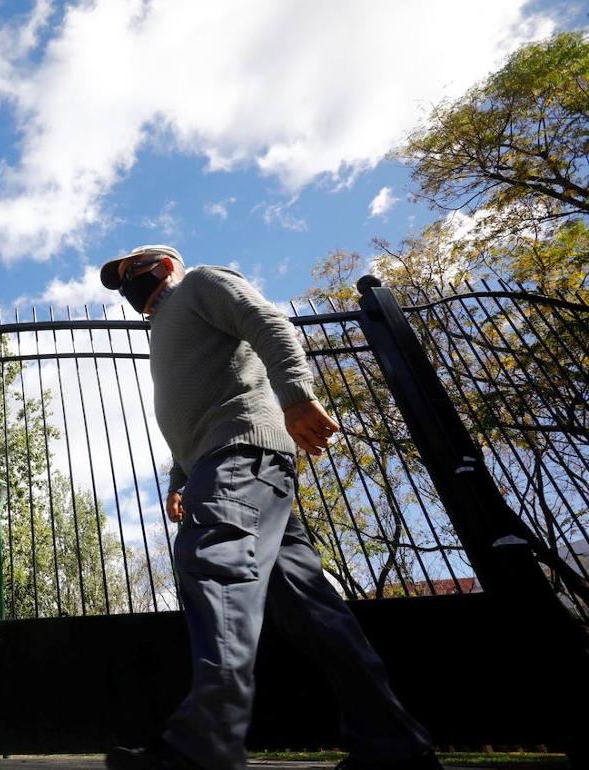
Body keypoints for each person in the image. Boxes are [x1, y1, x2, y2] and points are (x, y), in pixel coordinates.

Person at [98, 245, 438, 770]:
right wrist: (179, 477)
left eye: (132, 273)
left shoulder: (200, 284)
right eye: (120, 284)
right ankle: (394, 742)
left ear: (165, 266)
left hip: (239, 453)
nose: (127, 288)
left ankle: (207, 741)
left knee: (214, 561)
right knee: (309, 608)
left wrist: (296, 394)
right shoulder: (163, 331)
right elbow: (189, 411)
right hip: (223, 461)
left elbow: (268, 322)